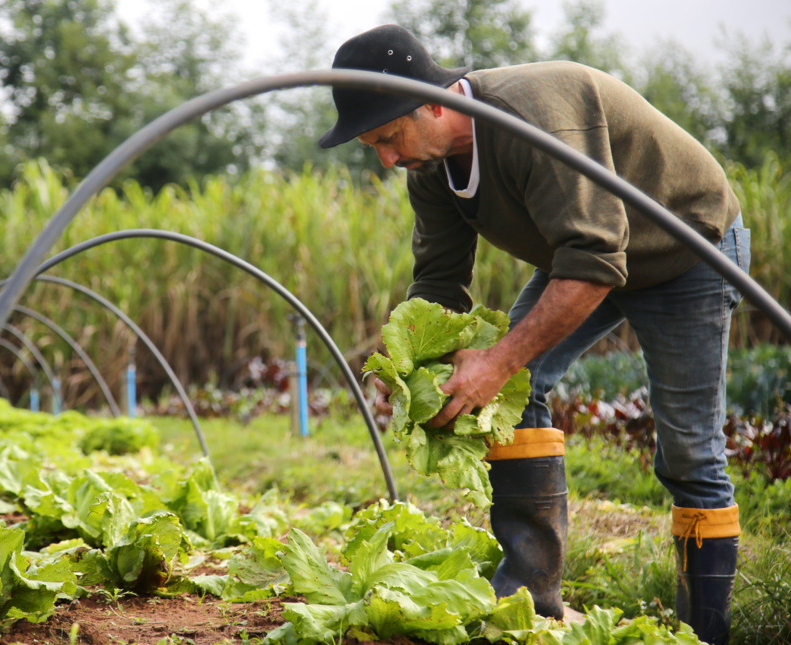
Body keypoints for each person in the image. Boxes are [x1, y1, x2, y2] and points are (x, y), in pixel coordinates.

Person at [318, 24, 749, 645]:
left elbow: (597, 262)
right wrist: (417, 367)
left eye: (389, 137)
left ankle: (705, 633)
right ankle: (529, 605)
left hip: (686, 248)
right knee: (509, 393)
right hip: (581, 256)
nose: (387, 158)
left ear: (433, 102)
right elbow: (439, 283)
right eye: (373, 147)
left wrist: (495, 361)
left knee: (688, 449)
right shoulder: (430, 166)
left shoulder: (533, 120)